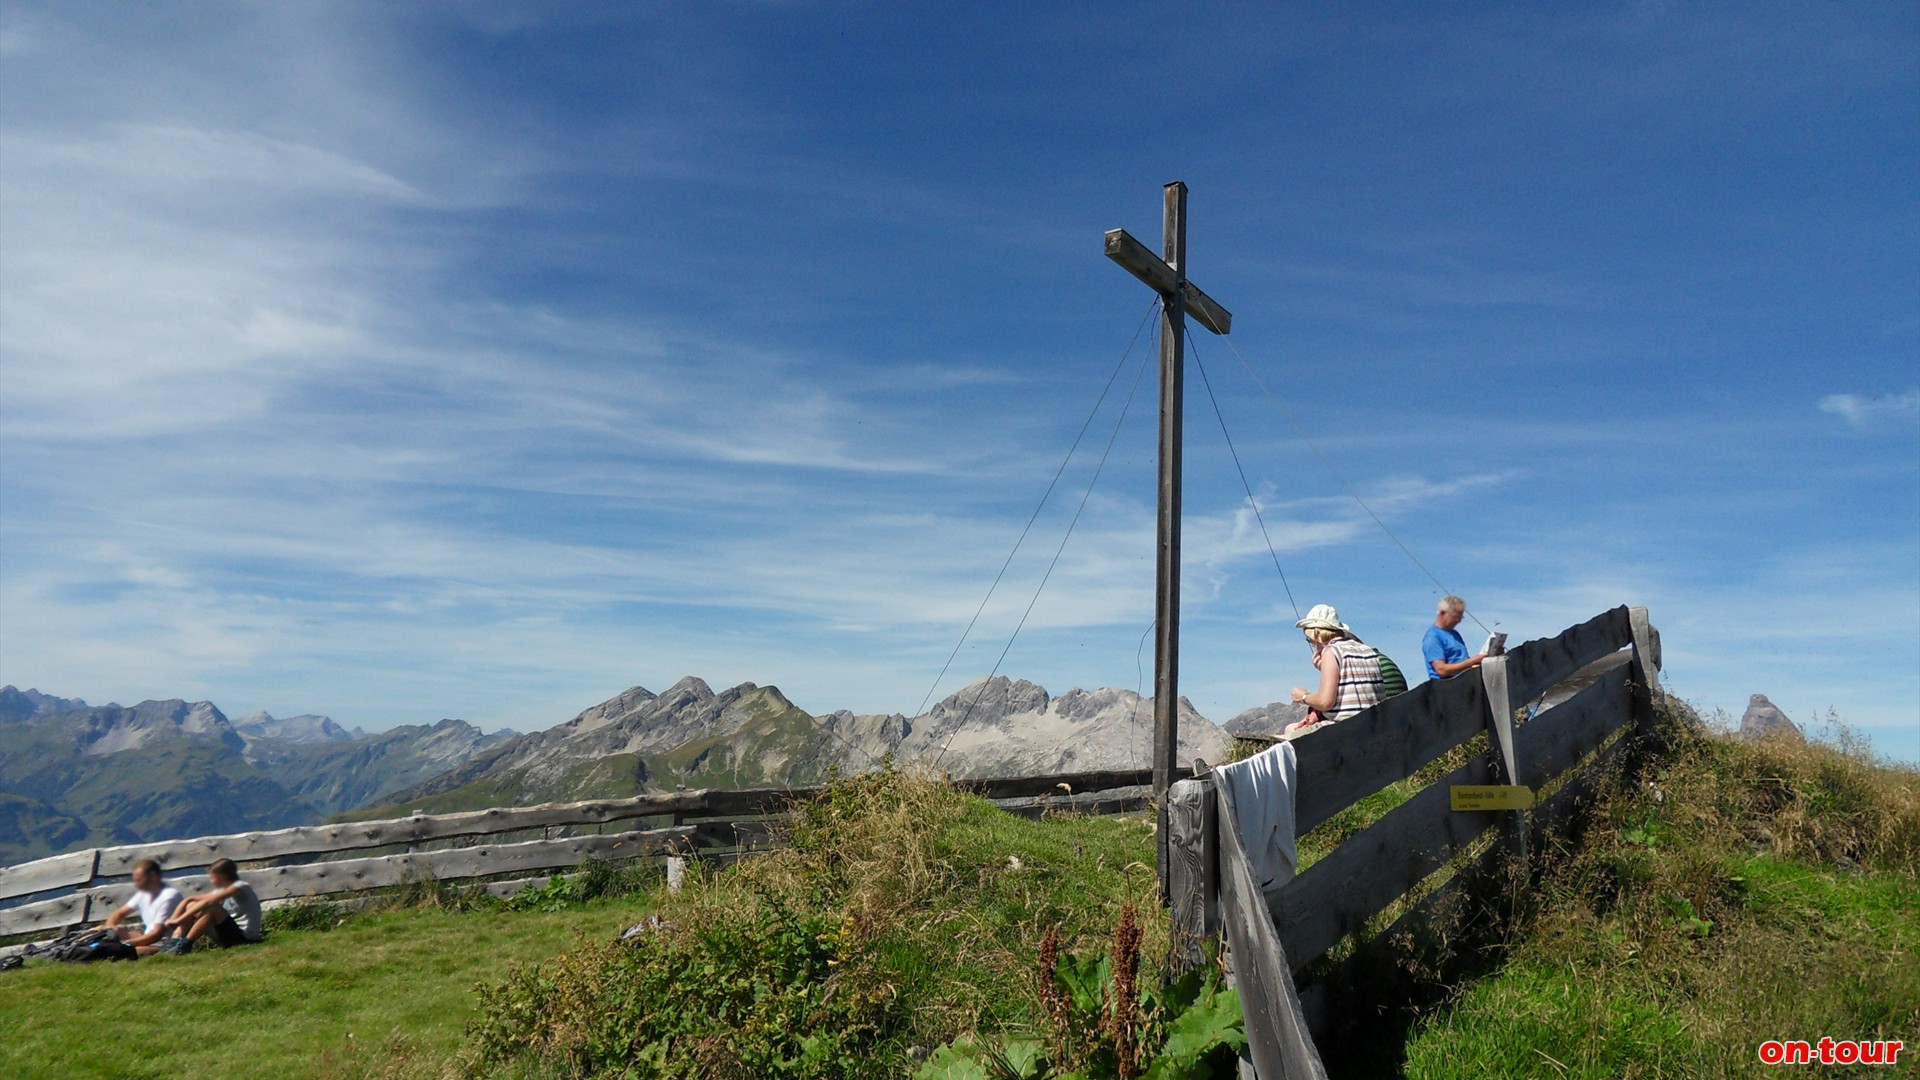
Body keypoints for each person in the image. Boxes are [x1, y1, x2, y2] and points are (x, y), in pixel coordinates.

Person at [1283, 604, 1386, 736]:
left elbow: (1325, 702)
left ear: (1317, 635)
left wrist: (1303, 697)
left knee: (1289, 731)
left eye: (1310, 640)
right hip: (1374, 727)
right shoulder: (1368, 650)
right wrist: (1324, 668)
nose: (1312, 645)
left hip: (1346, 730)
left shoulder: (1331, 651)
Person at [158, 858, 262, 954]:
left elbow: (208, 902)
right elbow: (189, 900)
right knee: (192, 906)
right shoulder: (222, 890)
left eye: (213, 877)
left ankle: (185, 944)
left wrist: (179, 920)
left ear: (223, 876)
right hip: (230, 935)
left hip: (245, 937)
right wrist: (173, 919)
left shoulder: (239, 887)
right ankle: (175, 941)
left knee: (213, 909)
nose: (211, 881)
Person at [101, 858, 182, 956]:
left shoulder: (169, 897)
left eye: (139, 880)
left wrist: (126, 944)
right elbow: (119, 913)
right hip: (146, 936)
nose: (136, 884)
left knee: (123, 951)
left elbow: (157, 934)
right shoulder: (145, 893)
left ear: (153, 877)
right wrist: (110, 931)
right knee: (100, 930)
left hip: (161, 943)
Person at [1423, 595, 1487, 680]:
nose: (1458, 621)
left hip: (1464, 681)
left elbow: (1462, 661)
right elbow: (1441, 670)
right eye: (1455, 617)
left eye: (1460, 617)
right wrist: (1472, 661)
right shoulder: (1433, 637)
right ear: (1442, 613)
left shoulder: (1454, 634)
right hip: (1446, 685)